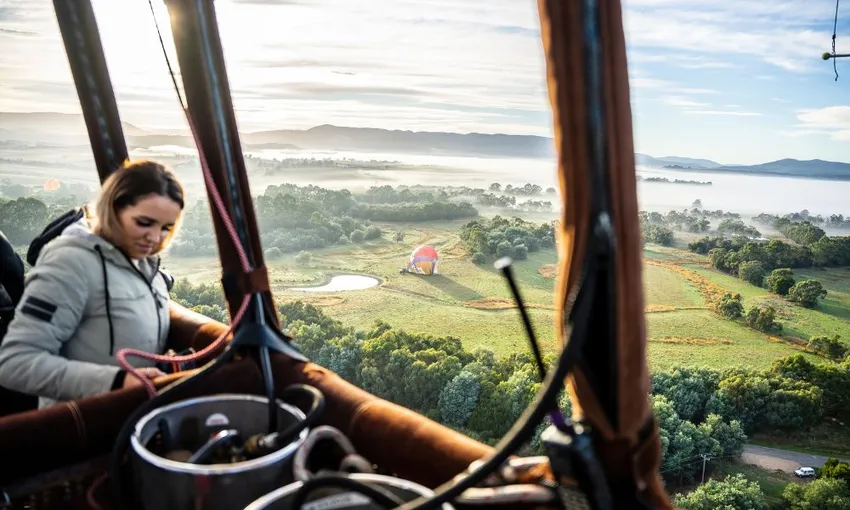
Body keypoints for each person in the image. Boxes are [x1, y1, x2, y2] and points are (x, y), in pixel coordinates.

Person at [0, 159, 185, 409]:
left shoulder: (144, 266)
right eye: (144, 223)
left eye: (166, 228)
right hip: (83, 431)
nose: (154, 238)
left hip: (134, 418)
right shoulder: (70, 262)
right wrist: (118, 381)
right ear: (113, 208)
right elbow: (15, 364)